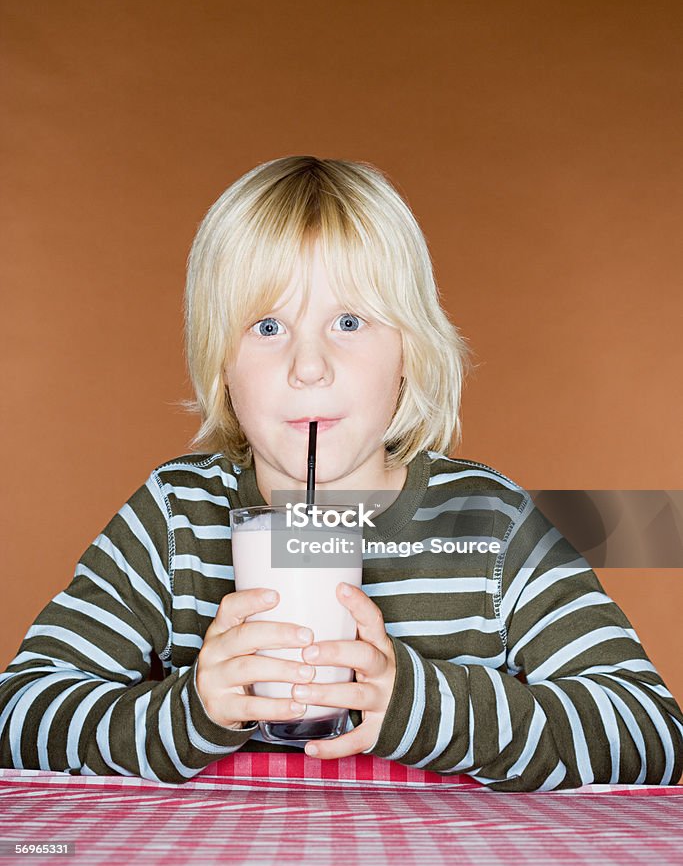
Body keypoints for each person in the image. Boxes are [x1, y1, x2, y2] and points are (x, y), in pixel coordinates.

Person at [1, 155, 682, 790]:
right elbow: (18, 716)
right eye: (266, 327)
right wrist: (191, 711)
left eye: (349, 321)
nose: (308, 366)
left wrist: (421, 705)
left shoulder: (487, 524)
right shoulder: (176, 519)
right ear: (220, 366)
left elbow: (652, 732)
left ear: (410, 353)